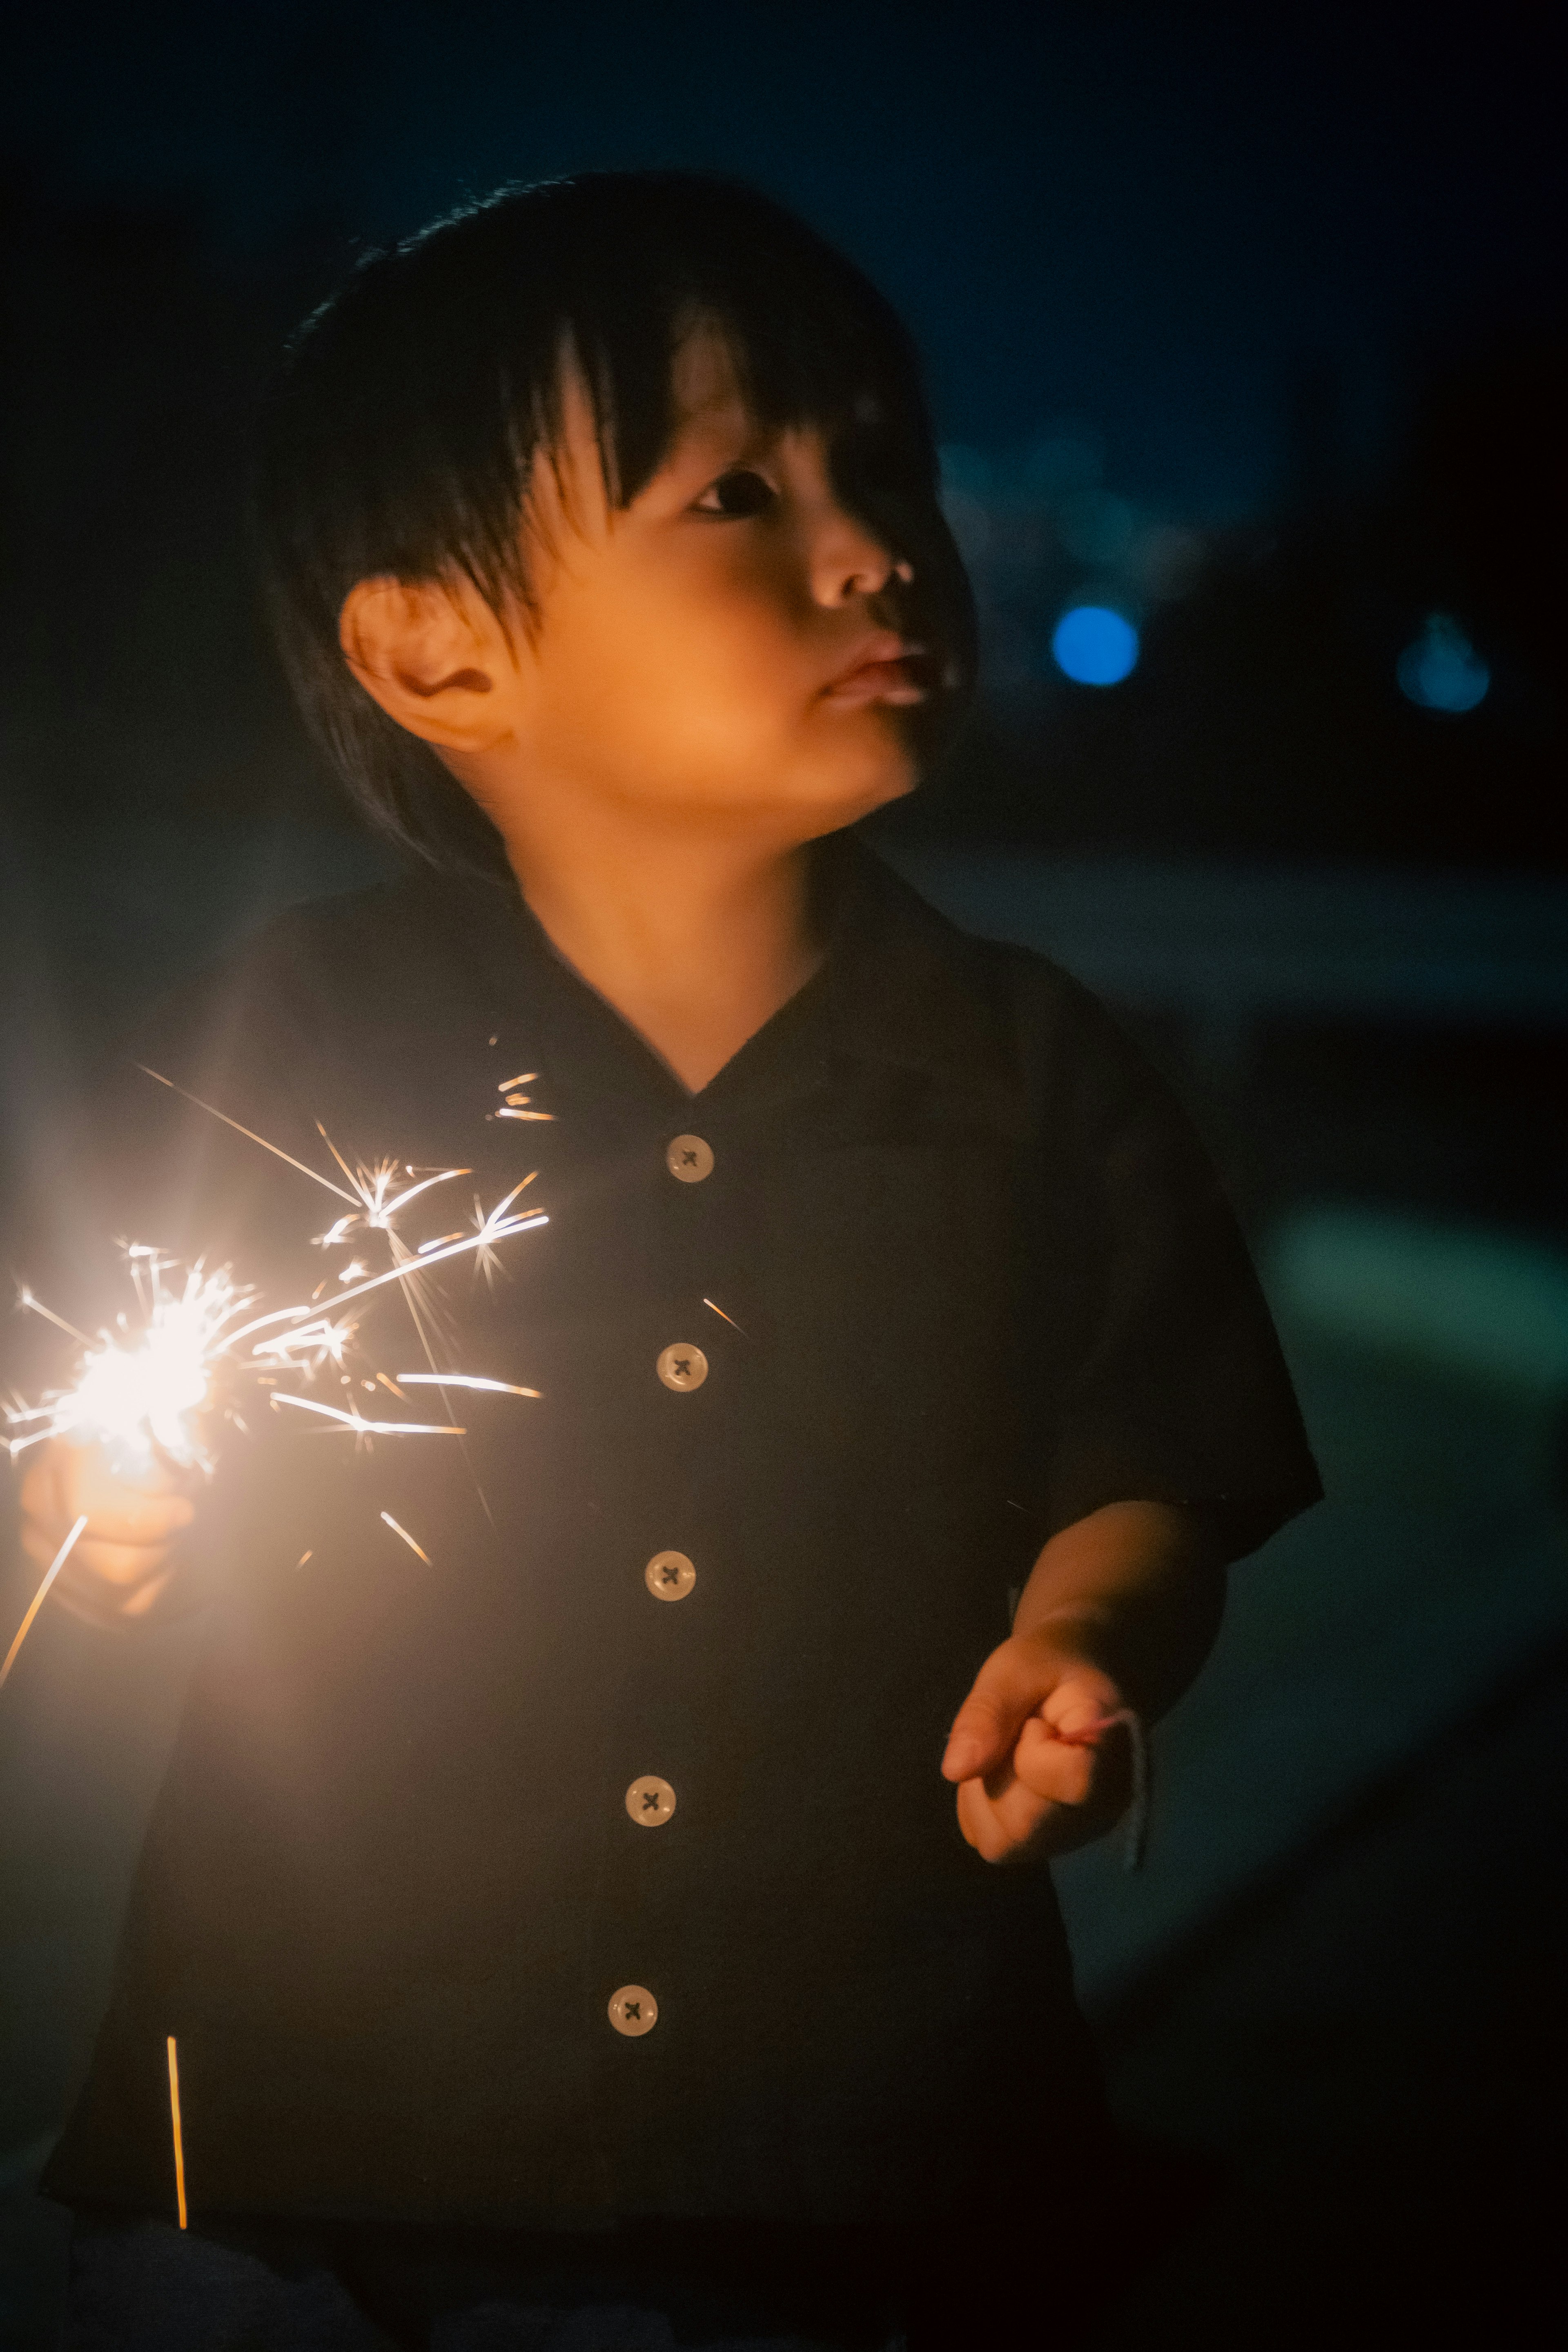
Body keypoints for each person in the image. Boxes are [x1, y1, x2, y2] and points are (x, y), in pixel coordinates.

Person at [17, 173, 1320, 2348]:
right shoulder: (298, 1046)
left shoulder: (1024, 1071)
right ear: (440, 645)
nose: (878, 542)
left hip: (849, 2168)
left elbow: (1150, 1458)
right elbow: (98, 1384)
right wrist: (92, 1505)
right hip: (290, 2166)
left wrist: (1090, 1638)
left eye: (880, 462)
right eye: (739, 490)